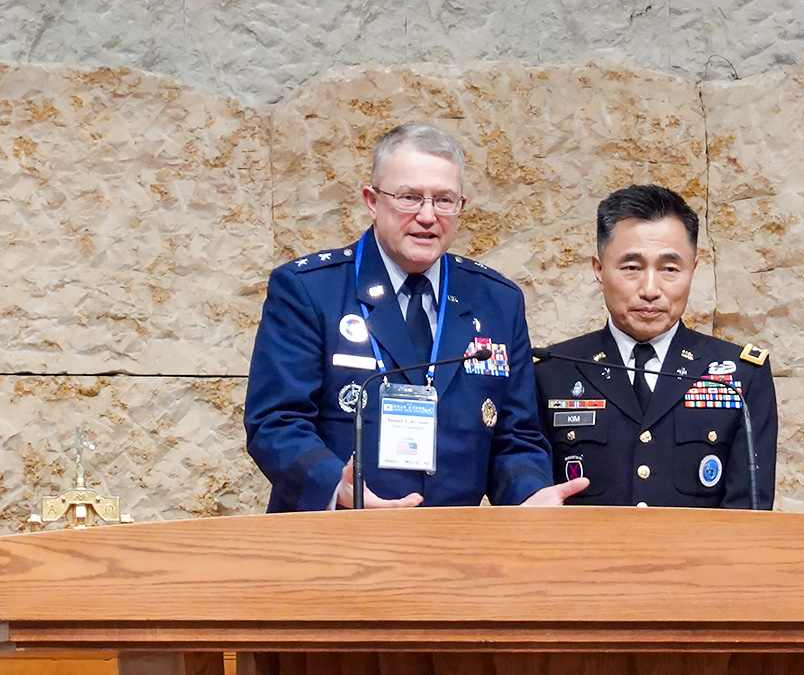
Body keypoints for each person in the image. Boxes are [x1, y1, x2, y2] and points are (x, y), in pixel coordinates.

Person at [245, 122, 588, 511]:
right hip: (339, 532)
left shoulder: (497, 301)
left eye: (444, 200)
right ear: (372, 201)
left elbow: (516, 438)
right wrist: (336, 486)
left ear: (461, 207)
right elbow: (276, 422)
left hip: (452, 538)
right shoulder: (309, 290)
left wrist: (530, 494)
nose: (427, 216)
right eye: (409, 197)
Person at [533, 184, 777, 508]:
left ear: (693, 270)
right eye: (631, 268)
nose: (650, 289)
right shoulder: (553, 372)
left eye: (669, 269)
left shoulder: (740, 375)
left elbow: (749, 514)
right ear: (599, 270)